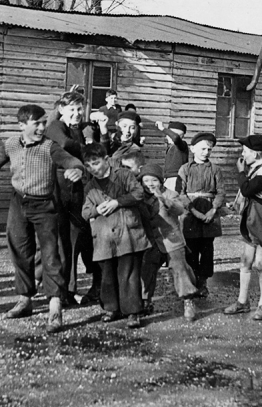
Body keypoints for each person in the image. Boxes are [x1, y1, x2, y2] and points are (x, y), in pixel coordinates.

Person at [0, 104, 84, 334]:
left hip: (45, 206)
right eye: (37, 123)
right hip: (19, 203)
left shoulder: (49, 147)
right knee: (20, 251)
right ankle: (25, 300)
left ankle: (55, 307)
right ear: (22, 125)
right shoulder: (11, 144)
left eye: (44, 122)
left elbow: (71, 160)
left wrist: (77, 169)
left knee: (52, 256)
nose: (43, 127)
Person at [82, 143, 150, 328]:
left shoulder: (124, 175)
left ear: (106, 159)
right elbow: (85, 212)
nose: (92, 169)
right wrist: (96, 209)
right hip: (104, 237)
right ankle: (111, 308)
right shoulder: (90, 187)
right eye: (88, 165)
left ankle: (133, 312)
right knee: (107, 275)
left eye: (95, 163)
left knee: (129, 274)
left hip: (128, 234)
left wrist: (117, 203)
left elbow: (138, 193)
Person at [45, 91, 102, 305]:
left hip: (81, 190)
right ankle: (65, 292)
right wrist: (88, 148)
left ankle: (94, 287)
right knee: (64, 242)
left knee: (84, 239)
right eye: (72, 109)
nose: (77, 114)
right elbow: (66, 144)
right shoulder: (56, 127)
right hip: (60, 189)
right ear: (61, 109)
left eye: (80, 109)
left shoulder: (82, 129)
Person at [224, 134, 262, 321]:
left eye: (245, 151)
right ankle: (242, 302)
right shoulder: (255, 168)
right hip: (251, 218)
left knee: (260, 263)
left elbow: (248, 189)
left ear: (255, 154)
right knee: (245, 262)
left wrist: (240, 172)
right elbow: (245, 193)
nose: (242, 154)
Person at [138, 163, 199, 322]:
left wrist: (163, 199)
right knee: (146, 270)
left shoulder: (170, 194)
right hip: (151, 242)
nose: (150, 184)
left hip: (172, 240)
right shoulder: (139, 196)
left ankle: (188, 300)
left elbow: (179, 210)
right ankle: (145, 301)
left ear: (162, 181)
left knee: (180, 268)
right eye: (146, 181)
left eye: (154, 180)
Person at [178, 132, 226, 298]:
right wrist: (194, 211)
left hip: (209, 214)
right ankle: (190, 283)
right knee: (190, 249)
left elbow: (221, 192)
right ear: (192, 149)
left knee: (207, 249)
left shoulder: (215, 169)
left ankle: (203, 282)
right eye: (203, 148)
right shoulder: (185, 169)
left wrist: (213, 210)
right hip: (190, 213)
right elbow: (180, 193)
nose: (206, 152)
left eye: (209, 149)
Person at [155, 121, 188, 192]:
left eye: (180, 135)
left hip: (177, 179)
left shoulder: (182, 146)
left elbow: (176, 138)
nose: (174, 136)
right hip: (168, 179)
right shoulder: (170, 147)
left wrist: (162, 128)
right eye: (171, 133)